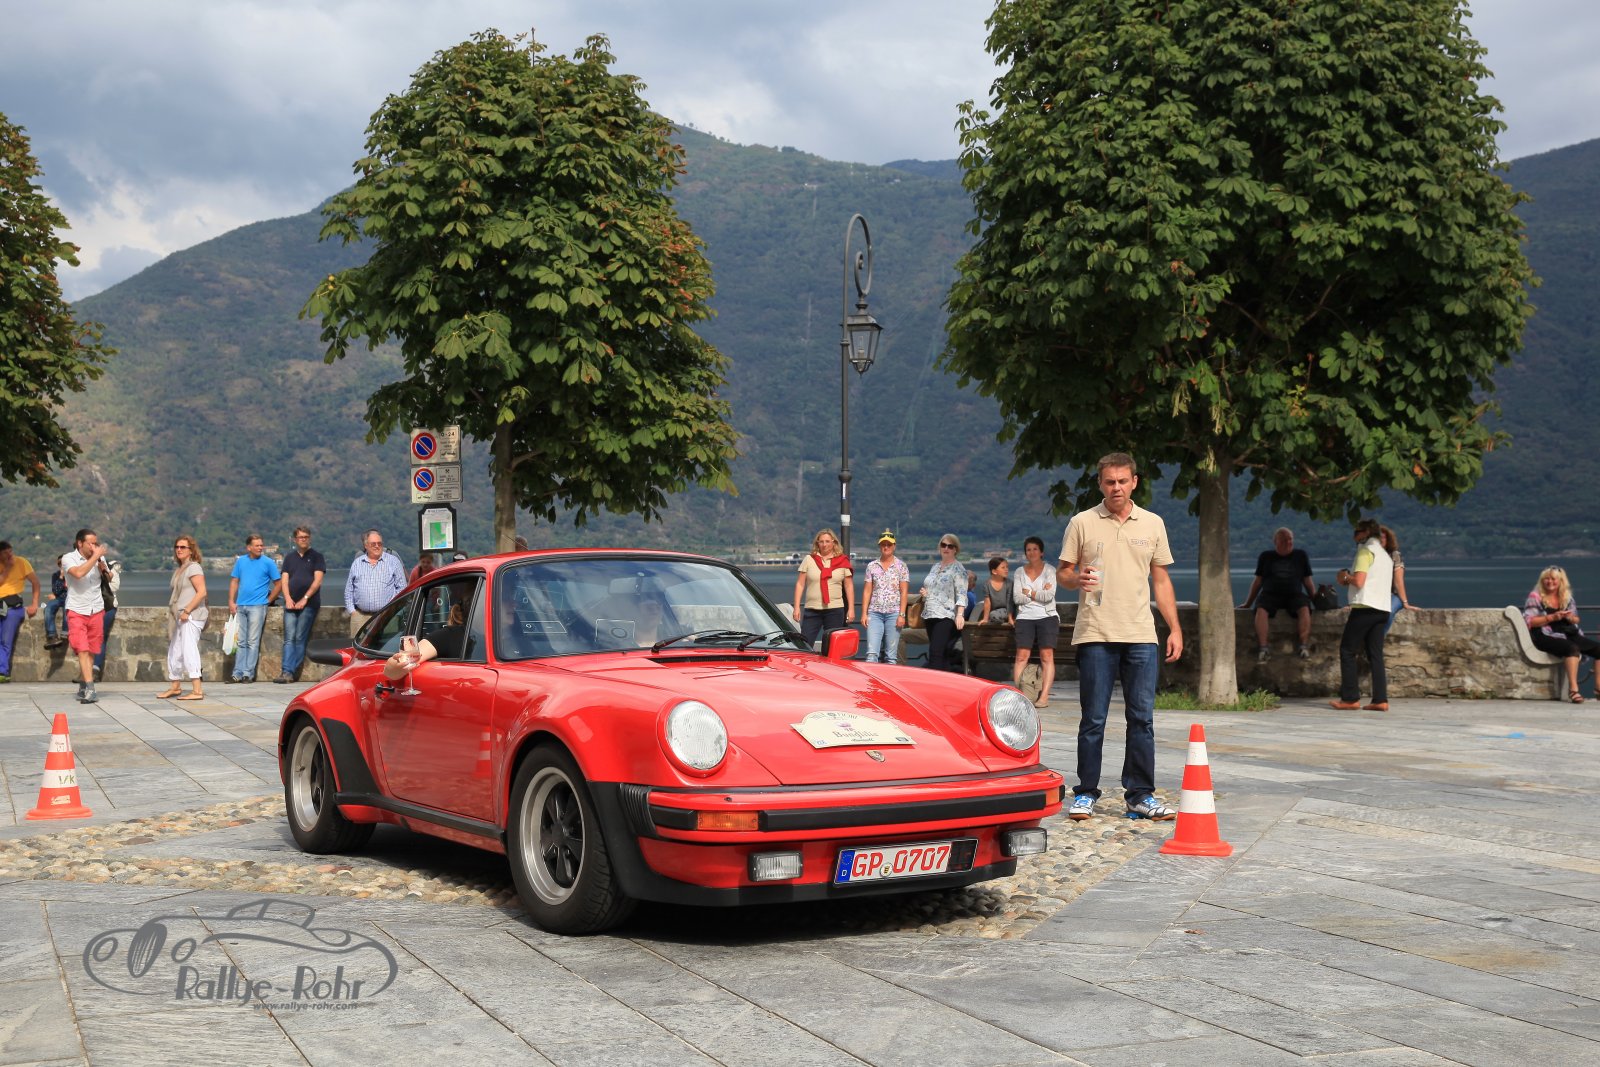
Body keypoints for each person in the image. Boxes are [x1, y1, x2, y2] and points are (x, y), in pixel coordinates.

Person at [1058, 453, 1183, 821]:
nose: (1116, 487)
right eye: (1110, 481)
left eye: (1122, 481)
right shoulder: (1081, 522)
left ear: (1134, 482)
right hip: (1095, 633)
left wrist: (1174, 628)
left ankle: (1140, 795)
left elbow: (1161, 581)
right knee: (1093, 720)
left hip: (1141, 634)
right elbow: (1063, 572)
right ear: (1100, 484)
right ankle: (1086, 793)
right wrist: (1075, 579)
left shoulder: (1153, 523)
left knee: (1142, 719)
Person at [1331, 518, 1393, 712]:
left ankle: (1350, 699)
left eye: (1357, 532)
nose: (1354, 536)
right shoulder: (1385, 555)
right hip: (1383, 608)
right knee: (1375, 654)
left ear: (1365, 533)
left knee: (1347, 650)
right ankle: (1380, 700)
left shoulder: (1365, 551)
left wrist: (1344, 577)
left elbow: (1359, 581)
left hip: (1365, 607)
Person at [1237, 527, 1316, 661]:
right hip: (1270, 594)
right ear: (1276, 542)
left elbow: (1307, 581)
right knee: (1261, 610)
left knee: (1304, 608)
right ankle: (1263, 649)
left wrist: (1316, 600)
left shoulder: (1301, 556)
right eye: (1284, 540)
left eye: (1290, 539)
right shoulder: (1266, 556)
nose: (1288, 542)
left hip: (1294, 595)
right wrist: (1248, 603)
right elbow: (1258, 581)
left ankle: (1303, 647)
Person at [1524, 565, 1599, 704]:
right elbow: (1530, 621)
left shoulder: (1566, 597)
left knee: (1598, 649)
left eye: (1554, 579)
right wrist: (1552, 617)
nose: (1550, 581)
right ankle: (1573, 690)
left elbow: (1576, 619)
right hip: (1544, 634)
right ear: (1542, 581)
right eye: (1547, 578)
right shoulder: (1535, 597)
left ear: (1560, 581)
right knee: (1572, 648)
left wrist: (1570, 618)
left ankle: (1598, 688)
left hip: (1567, 632)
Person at [61, 528, 108, 704]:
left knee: (92, 649)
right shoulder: (68, 558)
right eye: (91, 543)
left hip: (96, 609)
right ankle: (90, 688)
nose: (94, 546)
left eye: (96, 543)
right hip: (76, 609)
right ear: (80, 543)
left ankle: (83, 685)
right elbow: (78, 574)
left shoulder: (99, 559)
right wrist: (95, 557)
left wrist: (104, 569)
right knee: (81, 648)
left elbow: (109, 578)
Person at [158, 535, 208, 700]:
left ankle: (197, 690)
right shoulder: (180, 569)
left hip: (192, 615)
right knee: (175, 650)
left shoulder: (194, 568)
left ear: (191, 550)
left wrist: (187, 610)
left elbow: (202, 592)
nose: (179, 550)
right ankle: (175, 686)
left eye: (183, 547)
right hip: (179, 616)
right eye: (177, 547)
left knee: (189, 649)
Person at [1012, 536, 1059, 709]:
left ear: (1041, 552)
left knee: (1046, 656)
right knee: (1021, 656)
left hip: (1047, 616)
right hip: (1025, 617)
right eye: (1028, 550)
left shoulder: (1050, 570)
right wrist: (1039, 593)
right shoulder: (1019, 572)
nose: (1031, 552)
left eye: (1035, 549)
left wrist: (1029, 593)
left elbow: (1049, 596)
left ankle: (1044, 696)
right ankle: (1020, 696)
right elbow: (1017, 598)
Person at [227, 534, 281, 683]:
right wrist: (231, 601)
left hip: (258, 606)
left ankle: (247, 674)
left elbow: (279, 584)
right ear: (249, 547)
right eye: (257, 545)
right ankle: (237, 673)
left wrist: (269, 600)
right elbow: (234, 581)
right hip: (241, 605)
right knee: (241, 641)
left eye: (261, 545)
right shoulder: (241, 562)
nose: (260, 548)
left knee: (252, 641)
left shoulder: (268, 562)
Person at [276, 526, 326, 683]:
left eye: (306, 537)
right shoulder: (289, 558)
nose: (303, 539)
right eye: (300, 537)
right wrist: (287, 598)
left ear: (309, 538)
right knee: (289, 638)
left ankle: (290, 672)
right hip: (290, 604)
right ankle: (286, 671)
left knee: (299, 638)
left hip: (309, 605)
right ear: (295, 539)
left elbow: (317, 581)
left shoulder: (317, 557)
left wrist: (305, 598)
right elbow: (284, 580)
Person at [791, 528, 853, 646]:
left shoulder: (842, 561)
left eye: (827, 541)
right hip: (812, 609)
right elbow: (800, 584)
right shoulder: (809, 559)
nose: (824, 545)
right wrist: (797, 607)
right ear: (817, 543)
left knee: (832, 646)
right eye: (821, 541)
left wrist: (851, 609)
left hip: (835, 610)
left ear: (834, 542)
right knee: (805, 644)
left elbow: (848, 586)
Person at [858, 530, 910, 663]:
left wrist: (902, 615)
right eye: (883, 544)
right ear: (879, 546)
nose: (886, 547)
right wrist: (864, 613)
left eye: (889, 544)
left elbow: (904, 591)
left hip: (894, 613)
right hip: (874, 613)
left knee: (891, 656)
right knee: (871, 654)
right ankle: (870, 676)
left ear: (894, 546)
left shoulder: (901, 566)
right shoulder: (871, 566)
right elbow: (867, 591)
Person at [918, 534, 968, 672]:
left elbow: (962, 593)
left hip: (945, 615)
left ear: (955, 549)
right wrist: (926, 593)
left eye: (950, 546)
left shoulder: (958, 569)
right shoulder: (935, 567)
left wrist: (960, 614)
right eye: (943, 545)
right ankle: (946, 681)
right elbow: (934, 587)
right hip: (929, 614)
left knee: (936, 652)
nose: (946, 548)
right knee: (942, 653)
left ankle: (933, 682)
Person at [344, 529, 407, 636]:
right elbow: (349, 590)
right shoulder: (357, 563)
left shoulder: (393, 561)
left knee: (387, 644)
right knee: (357, 646)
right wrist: (352, 611)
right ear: (366, 546)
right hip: (360, 617)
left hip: (386, 616)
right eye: (373, 544)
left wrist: (391, 608)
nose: (377, 546)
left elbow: (402, 588)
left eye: (379, 543)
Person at [0, 541, 42, 683]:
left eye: (10, 551)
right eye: (5, 553)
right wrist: (7, 568)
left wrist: (34, 603)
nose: (9, 555)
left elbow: (35, 582)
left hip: (12, 607)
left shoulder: (21, 562)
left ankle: (3, 672)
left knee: (5, 640)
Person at [1380, 526, 1416, 636]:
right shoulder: (1369, 556)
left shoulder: (1394, 555)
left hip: (1393, 595)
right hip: (1376, 596)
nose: (1380, 540)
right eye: (1378, 537)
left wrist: (1405, 603)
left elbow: (1398, 581)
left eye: (1383, 537)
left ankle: (1378, 640)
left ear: (1388, 539)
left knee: (1388, 612)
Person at [92, 557, 122, 680]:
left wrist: (104, 576)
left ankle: (95, 668)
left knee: (100, 637)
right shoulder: (89, 570)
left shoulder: (112, 570)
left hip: (108, 607)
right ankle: (88, 669)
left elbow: (115, 587)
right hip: (92, 607)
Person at [980, 556, 1014, 626]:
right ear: (994, 571)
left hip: (1007, 610)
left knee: (993, 615)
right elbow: (987, 602)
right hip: (995, 611)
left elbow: (1009, 602)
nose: (1006, 569)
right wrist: (985, 619)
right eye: (1003, 567)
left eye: (1007, 567)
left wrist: (1010, 618)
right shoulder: (987, 584)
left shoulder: (1009, 583)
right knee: (993, 615)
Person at [43, 556, 67, 648]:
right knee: (48, 608)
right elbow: (56, 591)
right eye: (60, 564)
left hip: (70, 598)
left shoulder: (74, 573)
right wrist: (61, 577)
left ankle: (65, 632)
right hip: (58, 598)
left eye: (64, 563)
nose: (62, 565)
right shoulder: (56, 575)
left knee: (67, 608)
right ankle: (52, 635)